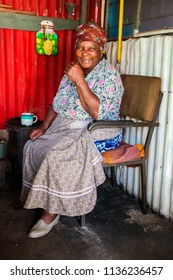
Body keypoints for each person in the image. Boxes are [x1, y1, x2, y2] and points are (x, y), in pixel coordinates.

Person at [21, 23, 124, 238]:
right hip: (68, 125)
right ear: (75, 49)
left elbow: (96, 112)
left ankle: (51, 212)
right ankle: (46, 199)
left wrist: (79, 81)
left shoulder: (109, 77)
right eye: (81, 48)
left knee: (57, 155)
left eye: (91, 48)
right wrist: (44, 126)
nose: (85, 53)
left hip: (100, 129)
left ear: (101, 50)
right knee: (33, 145)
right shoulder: (72, 70)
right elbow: (58, 103)